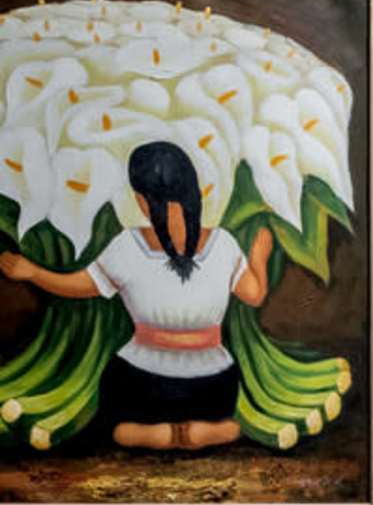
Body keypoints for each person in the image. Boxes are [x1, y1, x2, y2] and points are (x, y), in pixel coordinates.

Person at [0, 140, 271, 450]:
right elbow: (255, 295)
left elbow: (78, 286)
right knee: (226, 418)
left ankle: (151, 434)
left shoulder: (128, 246)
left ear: (142, 201)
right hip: (213, 387)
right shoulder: (223, 243)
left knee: (116, 423)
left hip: (143, 385)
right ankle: (204, 431)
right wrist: (260, 257)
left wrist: (33, 272)